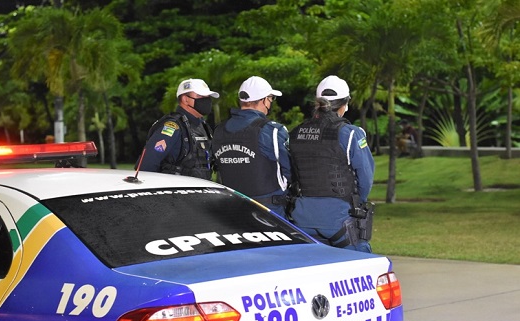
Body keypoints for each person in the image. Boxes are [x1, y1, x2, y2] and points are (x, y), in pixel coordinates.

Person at [288, 75, 375, 253]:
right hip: (340, 217)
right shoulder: (351, 134)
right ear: (345, 104)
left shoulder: (295, 133)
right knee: (360, 266)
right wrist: (358, 203)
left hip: (302, 216)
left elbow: (291, 173)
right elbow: (365, 178)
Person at [212, 76, 291, 218]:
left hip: (232, 211)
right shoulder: (272, 131)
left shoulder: (219, 130)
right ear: (264, 100)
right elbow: (291, 171)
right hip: (270, 213)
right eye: (271, 98)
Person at [136, 78, 219, 180]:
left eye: (207, 97)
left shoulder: (204, 126)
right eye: (200, 96)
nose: (206, 101)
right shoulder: (173, 127)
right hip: (175, 193)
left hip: (199, 192)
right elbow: (147, 164)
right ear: (185, 99)